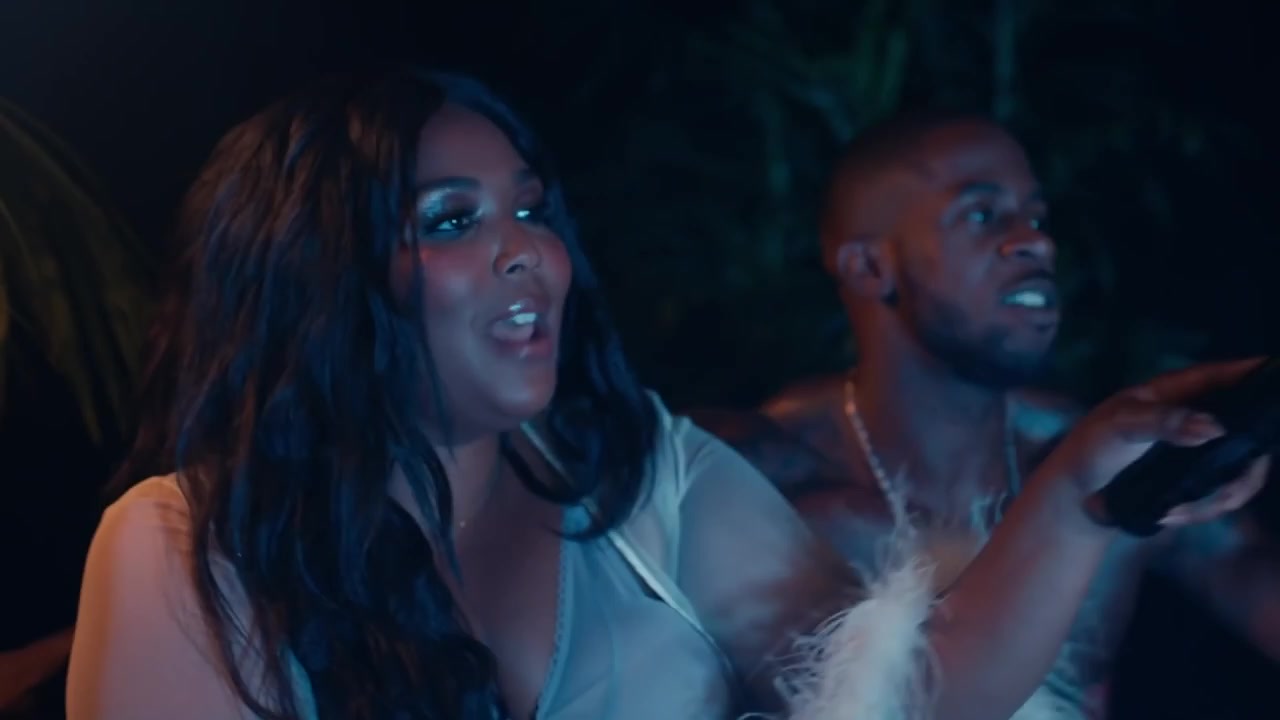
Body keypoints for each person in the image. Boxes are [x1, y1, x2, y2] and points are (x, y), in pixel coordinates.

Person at [65, 69, 1267, 720]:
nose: (526, 250)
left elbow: (909, 699)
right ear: (316, 270)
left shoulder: (652, 480)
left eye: (530, 208)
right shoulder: (186, 545)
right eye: (452, 221)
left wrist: (1080, 491)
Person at [697, 113, 1280, 717]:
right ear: (871, 267)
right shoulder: (747, 482)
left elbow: (1247, 569)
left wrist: (1241, 426)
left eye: (1037, 218)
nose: (1037, 242)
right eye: (982, 215)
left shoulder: (1116, 464)